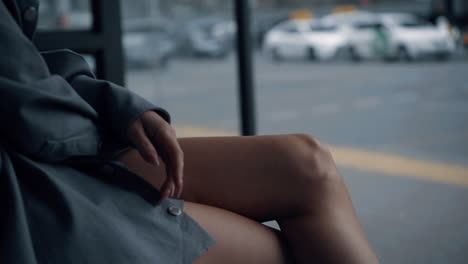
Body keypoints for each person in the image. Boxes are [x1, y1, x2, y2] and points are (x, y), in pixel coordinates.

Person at [0, 0, 379, 263]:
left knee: (308, 161)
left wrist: (118, 106)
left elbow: (28, 68)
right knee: (286, 253)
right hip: (24, 184)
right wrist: (102, 121)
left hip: (51, 150)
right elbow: (28, 110)